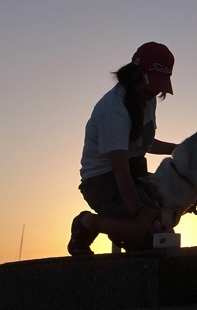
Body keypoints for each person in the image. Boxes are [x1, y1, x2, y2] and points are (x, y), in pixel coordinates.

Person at [67, 41, 177, 255]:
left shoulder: (147, 98)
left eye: (158, 86)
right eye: (150, 83)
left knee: (167, 211)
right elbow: (119, 168)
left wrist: (178, 149)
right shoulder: (113, 109)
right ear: (135, 74)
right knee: (149, 234)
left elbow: (143, 143)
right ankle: (89, 223)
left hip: (132, 174)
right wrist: (139, 211)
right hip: (102, 181)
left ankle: (128, 229)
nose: (153, 91)